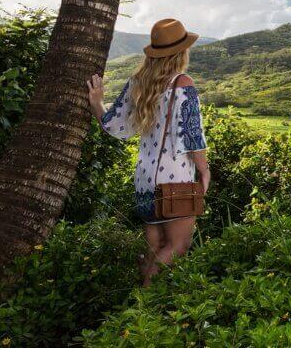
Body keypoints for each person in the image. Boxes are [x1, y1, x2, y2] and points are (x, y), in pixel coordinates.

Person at [87, 18, 210, 286]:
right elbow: (192, 134)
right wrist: (204, 169)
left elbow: (114, 127)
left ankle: (145, 308)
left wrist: (97, 103)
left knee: (155, 248)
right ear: (181, 53)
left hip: (144, 178)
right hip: (175, 177)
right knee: (178, 246)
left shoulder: (137, 82)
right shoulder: (183, 83)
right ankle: (143, 304)